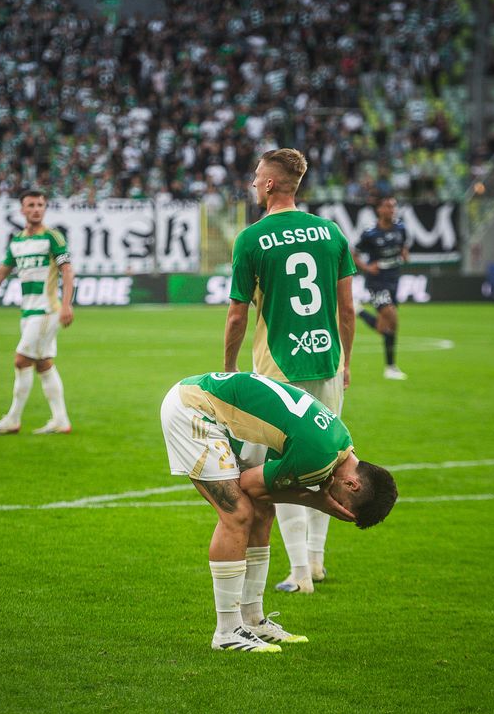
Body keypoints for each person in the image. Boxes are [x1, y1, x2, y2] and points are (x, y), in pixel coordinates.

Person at [160, 371, 398, 652]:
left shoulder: (341, 441)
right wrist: (316, 501)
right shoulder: (319, 462)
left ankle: (252, 620)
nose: (334, 506)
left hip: (205, 398)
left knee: (262, 511)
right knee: (238, 513)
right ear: (352, 484)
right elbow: (249, 485)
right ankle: (226, 632)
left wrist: (313, 498)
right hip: (194, 409)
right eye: (342, 506)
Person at [223, 147, 357, 595]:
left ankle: (300, 574)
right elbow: (348, 309)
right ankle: (316, 562)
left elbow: (237, 316)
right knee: (326, 459)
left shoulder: (252, 239)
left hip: (280, 370)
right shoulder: (330, 232)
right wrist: (347, 363)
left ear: (269, 184)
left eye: (256, 174)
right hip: (328, 363)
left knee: (285, 470)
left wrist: (229, 369)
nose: (253, 181)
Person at [0, 189, 75, 435]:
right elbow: (1, 272)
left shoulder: (53, 237)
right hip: (28, 312)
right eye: (31, 205)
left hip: (47, 310)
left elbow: (67, 270)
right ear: (22, 210)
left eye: (40, 204)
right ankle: (60, 420)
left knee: (21, 360)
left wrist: (67, 304)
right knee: (43, 363)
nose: (36, 209)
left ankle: (13, 418)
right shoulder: (17, 241)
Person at [352, 195, 410, 380]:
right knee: (393, 319)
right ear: (379, 210)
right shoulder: (370, 233)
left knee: (383, 327)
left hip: (394, 280)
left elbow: (403, 246)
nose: (392, 210)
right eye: (387, 206)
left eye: (393, 206)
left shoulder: (400, 228)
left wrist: (404, 254)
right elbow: (353, 254)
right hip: (377, 282)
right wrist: (367, 267)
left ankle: (358, 311)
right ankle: (391, 367)